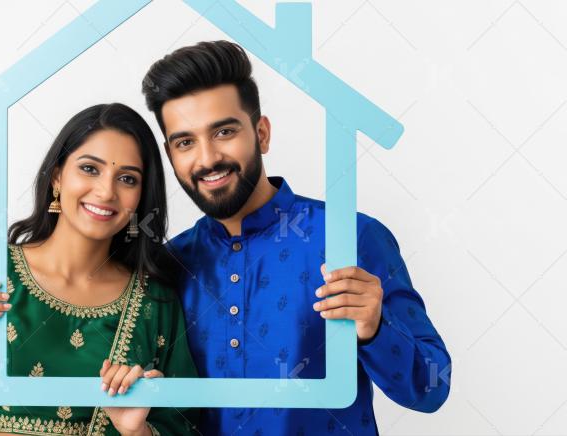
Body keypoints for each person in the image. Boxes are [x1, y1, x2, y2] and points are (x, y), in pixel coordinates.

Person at [141, 40, 451, 435]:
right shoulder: (169, 265)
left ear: (262, 134)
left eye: (223, 131)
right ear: (170, 155)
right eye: (185, 142)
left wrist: (376, 327)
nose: (206, 159)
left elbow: (433, 389)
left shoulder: (351, 237)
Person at [0, 103, 198, 436]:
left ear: (140, 197)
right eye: (90, 169)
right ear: (57, 176)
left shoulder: (155, 300)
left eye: (127, 179)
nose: (106, 191)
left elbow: (184, 424)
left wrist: (135, 429)